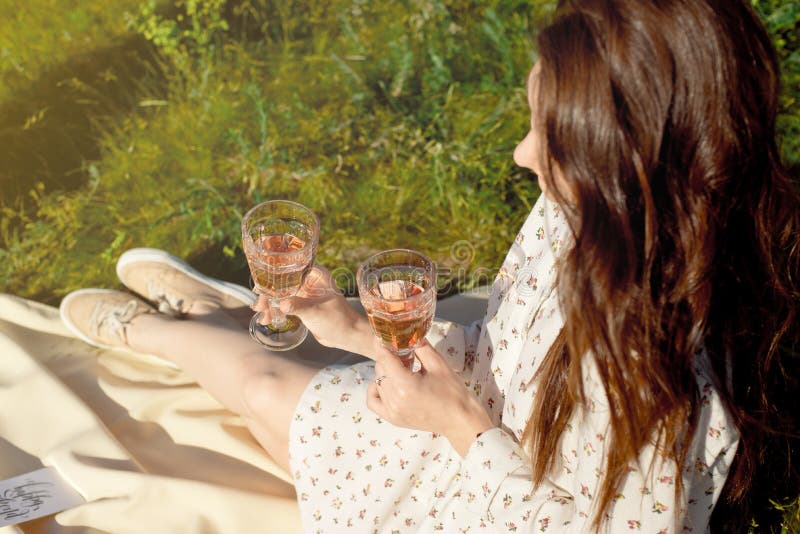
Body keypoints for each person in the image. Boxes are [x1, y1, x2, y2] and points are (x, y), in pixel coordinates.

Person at [59, 0, 799, 531]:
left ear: (622, 167)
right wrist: (354, 329)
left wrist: (455, 425)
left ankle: (176, 320)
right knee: (262, 387)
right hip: (475, 432)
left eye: (547, 137)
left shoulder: (661, 388)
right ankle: (179, 318)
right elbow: (507, 350)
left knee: (262, 392)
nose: (519, 156)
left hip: (487, 479)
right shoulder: (590, 217)